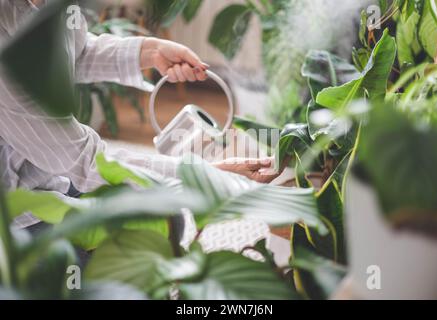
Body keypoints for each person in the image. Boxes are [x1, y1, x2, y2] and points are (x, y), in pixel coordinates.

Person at [0, 0, 280, 227]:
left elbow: (77, 51)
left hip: (52, 175)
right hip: (18, 213)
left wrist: (150, 50)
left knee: (166, 218)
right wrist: (205, 177)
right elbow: (84, 162)